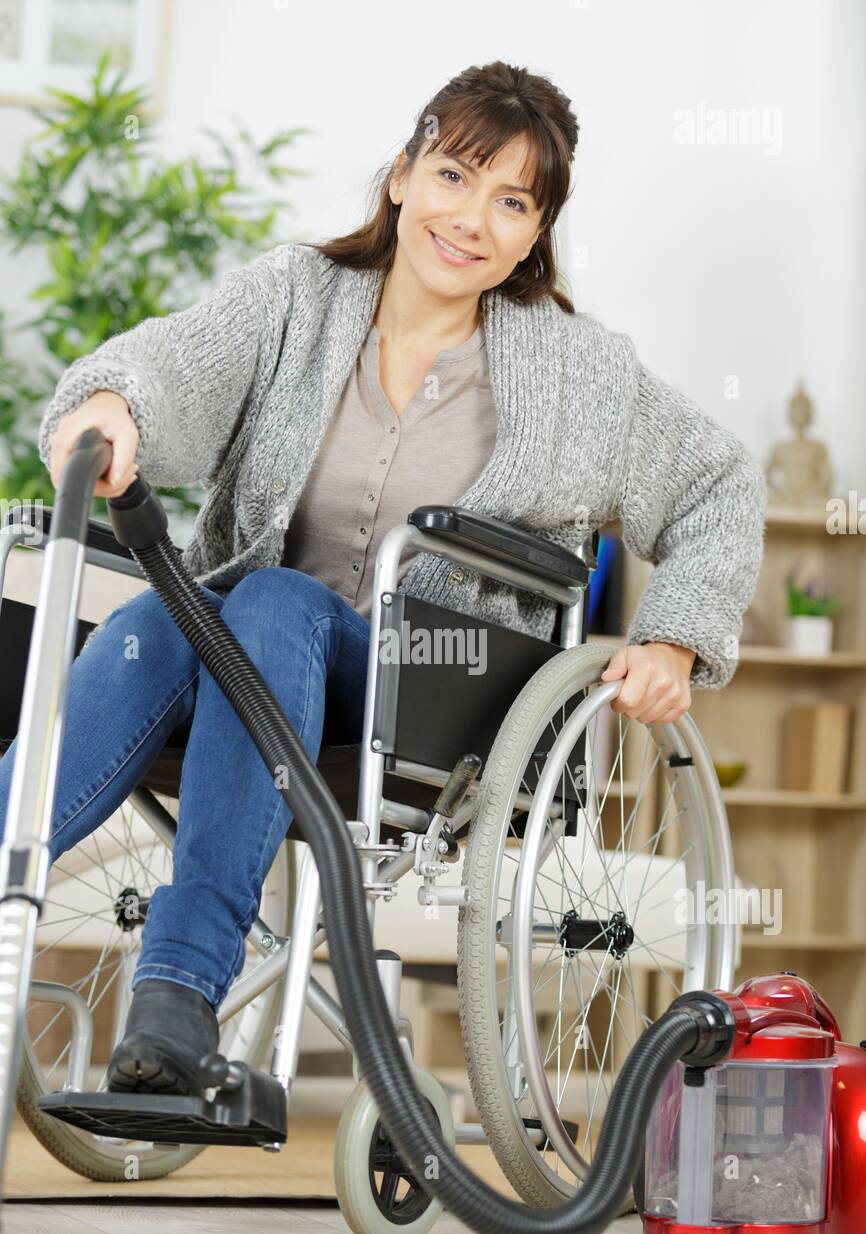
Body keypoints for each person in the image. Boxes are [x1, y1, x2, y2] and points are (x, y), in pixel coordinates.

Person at [0, 60, 766, 1098]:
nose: (471, 219)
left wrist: (674, 634)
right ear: (402, 174)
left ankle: (178, 985)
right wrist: (115, 408)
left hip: (429, 698)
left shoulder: (580, 376)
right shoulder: (296, 300)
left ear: (534, 234)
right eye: (452, 175)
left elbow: (720, 483)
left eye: (511, 202)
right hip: (248, 672)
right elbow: (174, 364)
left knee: (268, 602)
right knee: (162, 618)